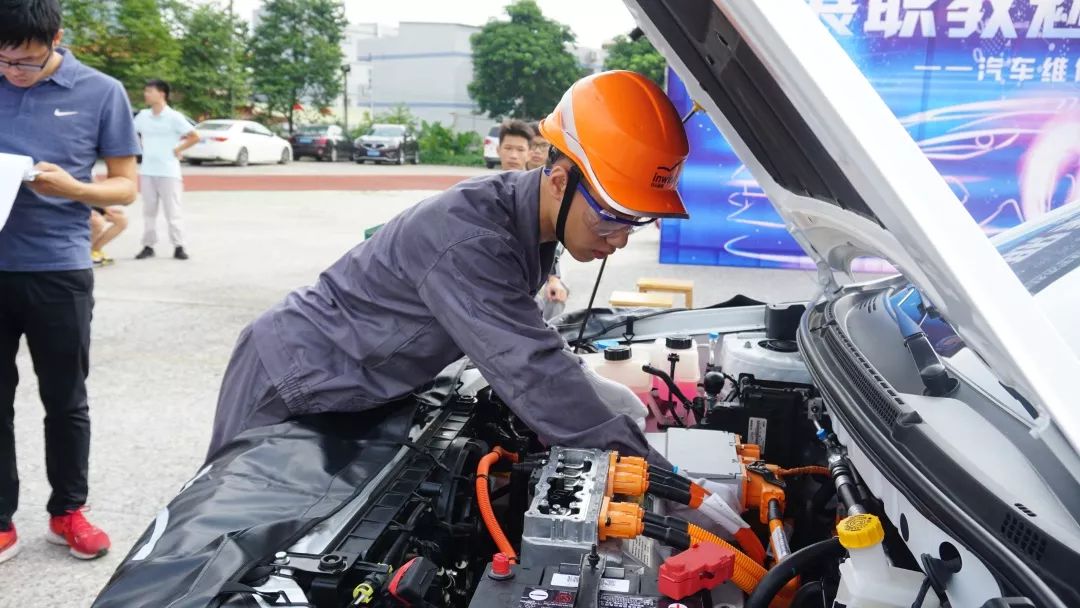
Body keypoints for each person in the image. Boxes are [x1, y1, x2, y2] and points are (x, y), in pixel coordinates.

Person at [205, 70, 689, 467]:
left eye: (638, 221)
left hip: (359, 383)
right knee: (226, 534)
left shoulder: (527, 221)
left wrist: (594, 389)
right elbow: (529, 369)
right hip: (293, 372)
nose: (621, 238)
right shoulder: (472, 237)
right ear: (559, 181)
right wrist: (656, 471)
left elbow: (528, 336)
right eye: (611, 218)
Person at [0, 0, 140, 563]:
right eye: (4, 62)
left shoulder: (102, 92)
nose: (14, 73)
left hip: (58, 268)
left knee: (65, 398)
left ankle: (68, 512)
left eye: (27, 63)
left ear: (56, 39)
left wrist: (78, 191)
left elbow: (126, 186)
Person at [133, 78, 198, 261]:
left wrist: (177, 149)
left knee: (173, 211)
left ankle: (179, 246)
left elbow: (194, 136)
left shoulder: (174, 117)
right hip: (147, 170)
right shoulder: (143, 116)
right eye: (145, 91)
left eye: (149, 91)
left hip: (169, 171)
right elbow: (130, 132)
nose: (146, 94)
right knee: (149, 211)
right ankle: (148, 245)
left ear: (161, 94)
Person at [528, 121, 568, 319]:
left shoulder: (557, 190)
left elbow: (553, 244)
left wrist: (554, 278)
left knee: (556, 295)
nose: (536, 152)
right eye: (532, 146)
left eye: (542, 146)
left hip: (542, 272)